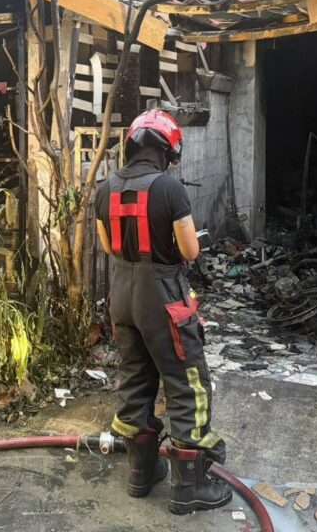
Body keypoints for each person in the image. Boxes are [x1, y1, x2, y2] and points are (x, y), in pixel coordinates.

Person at [94, 109, 231, 515]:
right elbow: (190, 250)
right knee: (187, 381)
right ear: (168, 149)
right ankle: (189, 487)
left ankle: (142, 473)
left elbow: (108, 246)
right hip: (164, 298)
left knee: (135, 377)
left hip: (121, 294)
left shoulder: (104, 189)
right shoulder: (170, 188)